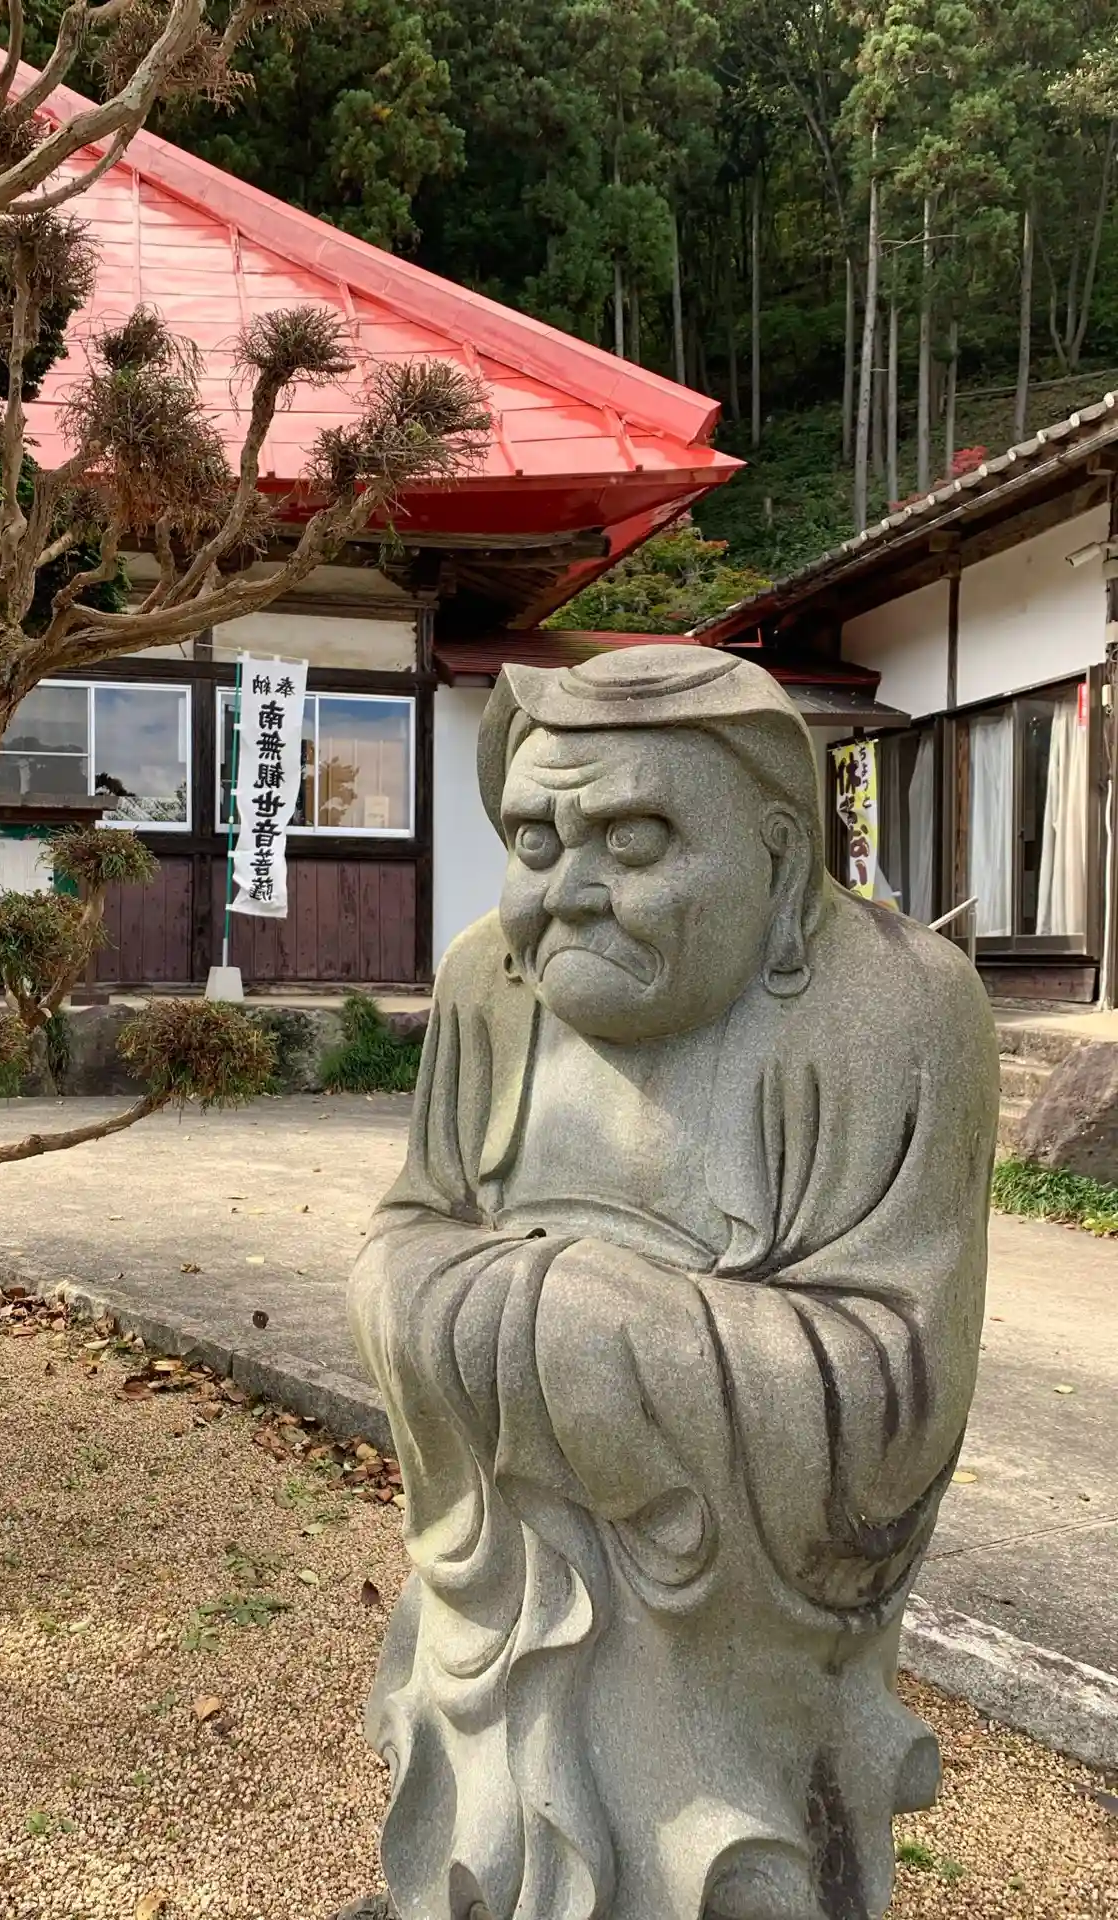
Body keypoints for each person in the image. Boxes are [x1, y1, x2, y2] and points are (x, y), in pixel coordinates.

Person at [349, 646, 998, 1920]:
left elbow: (903, 1377)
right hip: (512, 1561)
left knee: (722, 1856)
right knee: (487, 1813)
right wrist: (487, 1315)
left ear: (776, 856)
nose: (569, 892)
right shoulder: (488, 983)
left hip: (728, 1603)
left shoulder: (899, 1007)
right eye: (535, 841)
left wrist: (596, 1331)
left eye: (635, 841)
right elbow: (411, 1224)